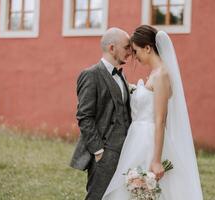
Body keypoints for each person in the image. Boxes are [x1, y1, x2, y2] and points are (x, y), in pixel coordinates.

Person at [102, 25, 203, 199]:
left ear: (148, 48)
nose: (134, 56)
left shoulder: (162, 75)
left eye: (136, 51)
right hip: (137, 138)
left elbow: (160, 119)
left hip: (148, 141)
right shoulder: (155, 73)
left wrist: (156, 160)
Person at [70, 27, 132, 200]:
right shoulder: (90, 75)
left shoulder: (122, 76)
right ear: (112, 48)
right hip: (104, 153)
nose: (130, 52)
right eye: (126, 47)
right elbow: (84, 116)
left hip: (126, 151)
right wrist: (98, 151)